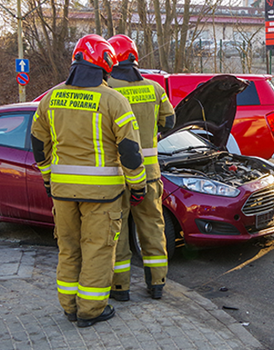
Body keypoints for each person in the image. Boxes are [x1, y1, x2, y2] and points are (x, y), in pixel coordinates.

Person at [31, 34, 147, 328]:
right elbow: (131, 153)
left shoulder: (50, 98)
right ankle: (90, 311)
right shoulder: (114, 100)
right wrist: (138, 186)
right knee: (97, 249)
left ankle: (69, 307)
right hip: (102, 194)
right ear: (106, 65)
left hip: (62, 192)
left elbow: (37, 144)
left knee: (68, 248)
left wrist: (48, 180)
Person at [106, 34, 176, 301]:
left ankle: (121, 288)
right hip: (149, 175)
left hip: (117, 175)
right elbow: (169, 122)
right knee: (152, 227)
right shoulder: (155, 88)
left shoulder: (107, 88)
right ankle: (157, 284)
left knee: (118, 230)